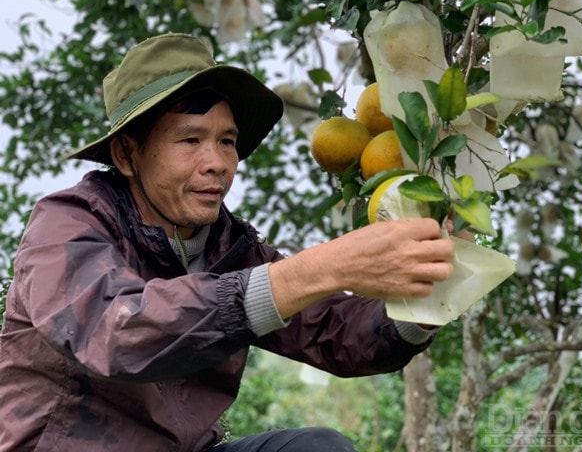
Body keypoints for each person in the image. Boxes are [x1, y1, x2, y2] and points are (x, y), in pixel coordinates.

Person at [0, 33, 456, 451]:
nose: (216, 162)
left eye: (227, 141)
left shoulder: (229, 247)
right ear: (127, 153)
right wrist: (321, 266)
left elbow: (339, 336)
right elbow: (112, 331)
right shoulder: (68, 222)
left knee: (317, 447)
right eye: (191, 139)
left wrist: (431, 288)